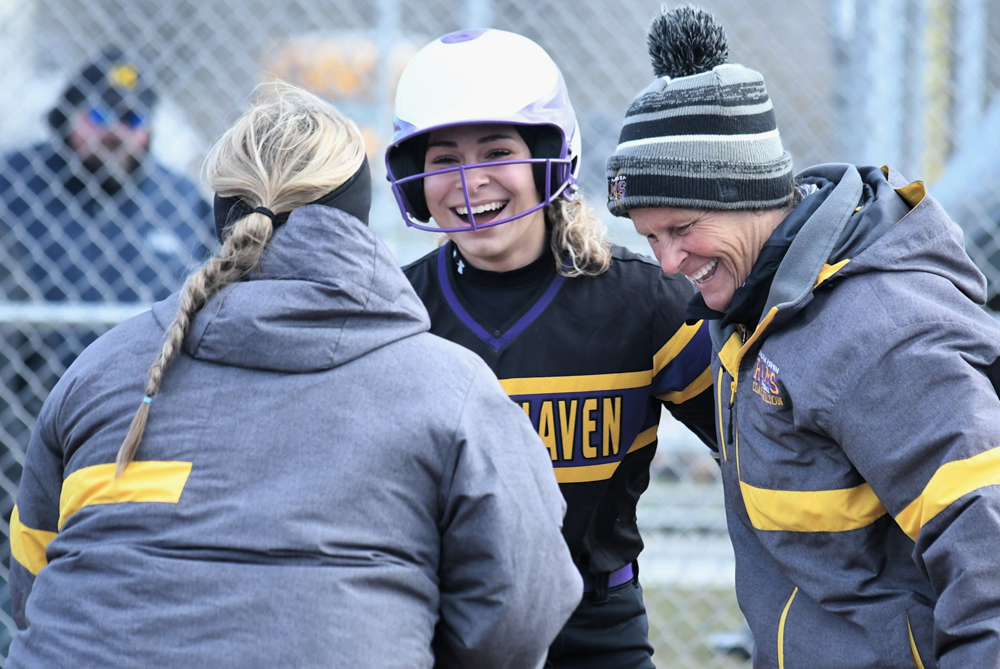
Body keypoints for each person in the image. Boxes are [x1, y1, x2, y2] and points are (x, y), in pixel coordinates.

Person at [7, 81, 581, 669]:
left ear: (222, 210)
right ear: (357, 212)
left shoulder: (100, 370)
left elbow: (32, 576)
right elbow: (523, 608)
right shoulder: (450, 387)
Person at [607, 6, 1000, 668]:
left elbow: (988, 549)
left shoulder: (877, 334)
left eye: (681, 228)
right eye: (650, 239)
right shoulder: (762, 308)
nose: (668, 262)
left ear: (744, 191)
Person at [385, 29, 718, 669]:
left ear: (551, 155)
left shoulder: (644, 302)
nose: (468, 180)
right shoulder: (396, 316)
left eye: (496, 151)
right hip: (438, 628)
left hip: (597, 624)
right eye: (442, 158)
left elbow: (756, 450)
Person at [0, 45, 214, 443]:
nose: (115, 132)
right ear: (67, 118)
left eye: (131, 118)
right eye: (99, 115)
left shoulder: (181, 201)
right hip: (28, 415)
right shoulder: (13, 185)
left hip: (149, 413)